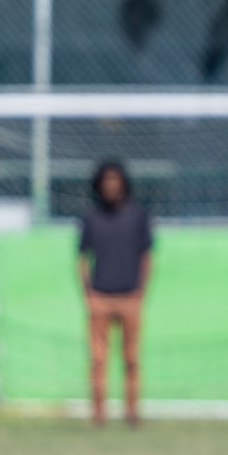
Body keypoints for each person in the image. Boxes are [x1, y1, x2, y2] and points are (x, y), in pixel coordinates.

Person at [79, 161, 154, 427]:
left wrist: (141, 291)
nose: (111, 185)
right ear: (99, 184)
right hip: (99, 297)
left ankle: (132, 412)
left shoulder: (137, 216)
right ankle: (98, 414)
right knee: (98, 360)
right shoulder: (91, 217)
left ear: (123, 183)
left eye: (115, 179)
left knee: (131, 358)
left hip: (130, 297)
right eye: (106, 180)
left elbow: (147, 256)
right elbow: (82, 258)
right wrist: (88, 294)